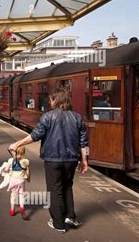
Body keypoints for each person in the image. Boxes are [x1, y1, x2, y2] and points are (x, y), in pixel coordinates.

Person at [9, 88, 88, 233]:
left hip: (53, 159)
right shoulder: (77, 118)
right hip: (71, 160)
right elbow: (83, 142)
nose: (50, 102)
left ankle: (58, 224)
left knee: (54, 190)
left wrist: (17, 143)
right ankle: (70, 216)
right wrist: (84, 160)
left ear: (56, 100)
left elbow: (35, 135)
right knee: (67, 186)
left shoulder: (48, 117)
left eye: (51, 99)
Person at [3, 146, 30, 220]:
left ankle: (12, 210)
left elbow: (6, 169)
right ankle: (22, 208)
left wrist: (5, 170)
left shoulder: (11, 160)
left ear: (15, 152)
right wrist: (28, 179)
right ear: (24, 152)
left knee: (13, 195)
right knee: (21, 194)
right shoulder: (25, 161)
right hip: (21, 180)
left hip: (13, 180)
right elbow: (27, 172)